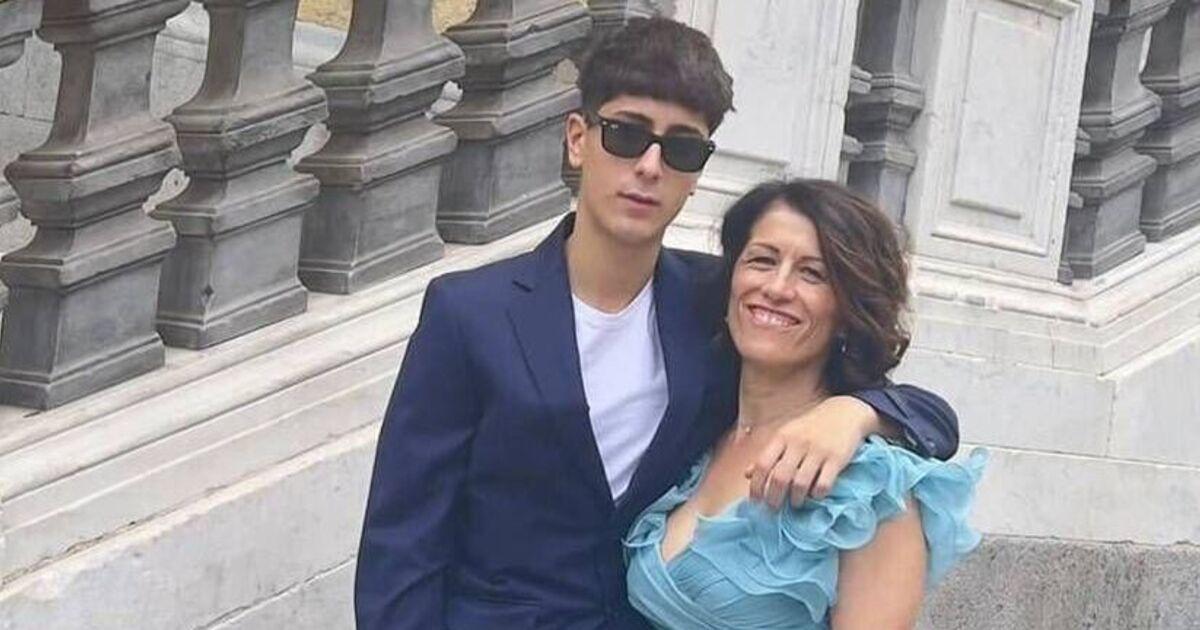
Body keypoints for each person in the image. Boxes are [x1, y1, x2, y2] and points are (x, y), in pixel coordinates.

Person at [354, 18, 960, 630]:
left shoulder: (717, 302)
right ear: (577, 139)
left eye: (681, 148)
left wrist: (853, 414)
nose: (649, 166)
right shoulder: (469, 313)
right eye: (626, 134)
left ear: (696, 174)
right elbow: (402, 547)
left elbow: (927, 417)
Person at [625, 179, 986, 629]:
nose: (777, 287)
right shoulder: (697, 430)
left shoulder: (873, 487)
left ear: (849, 311)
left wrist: (853, 413)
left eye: (813, 274)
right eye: (762, 260)